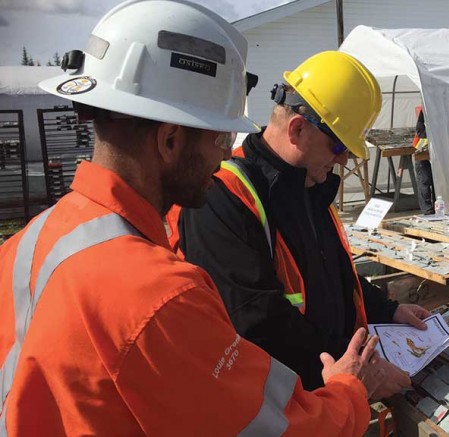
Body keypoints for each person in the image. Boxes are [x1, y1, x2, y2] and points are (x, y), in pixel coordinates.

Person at [0, 1, 383, 435]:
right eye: (219, 136)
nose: (224, 154)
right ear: (170, 141)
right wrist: (350, 389)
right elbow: (273, 428)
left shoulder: (26, 244)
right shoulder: (160, 297)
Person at [169, 51, 432, 396]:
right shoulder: (222, 195)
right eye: (339, 146)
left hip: (331, 394)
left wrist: (389, 310)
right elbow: (257, 323)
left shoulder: (309, 184)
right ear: (297, 129)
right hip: (282, 402)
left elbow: (338, 275)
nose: (343, 160)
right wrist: (360, 371)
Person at [412, 108, 435, 215]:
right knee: (424, 178)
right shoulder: (428, 105)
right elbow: (420, 128)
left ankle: (431, 208)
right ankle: (428, 209)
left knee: (427, 179)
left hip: (426, 143)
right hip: (423, 144)